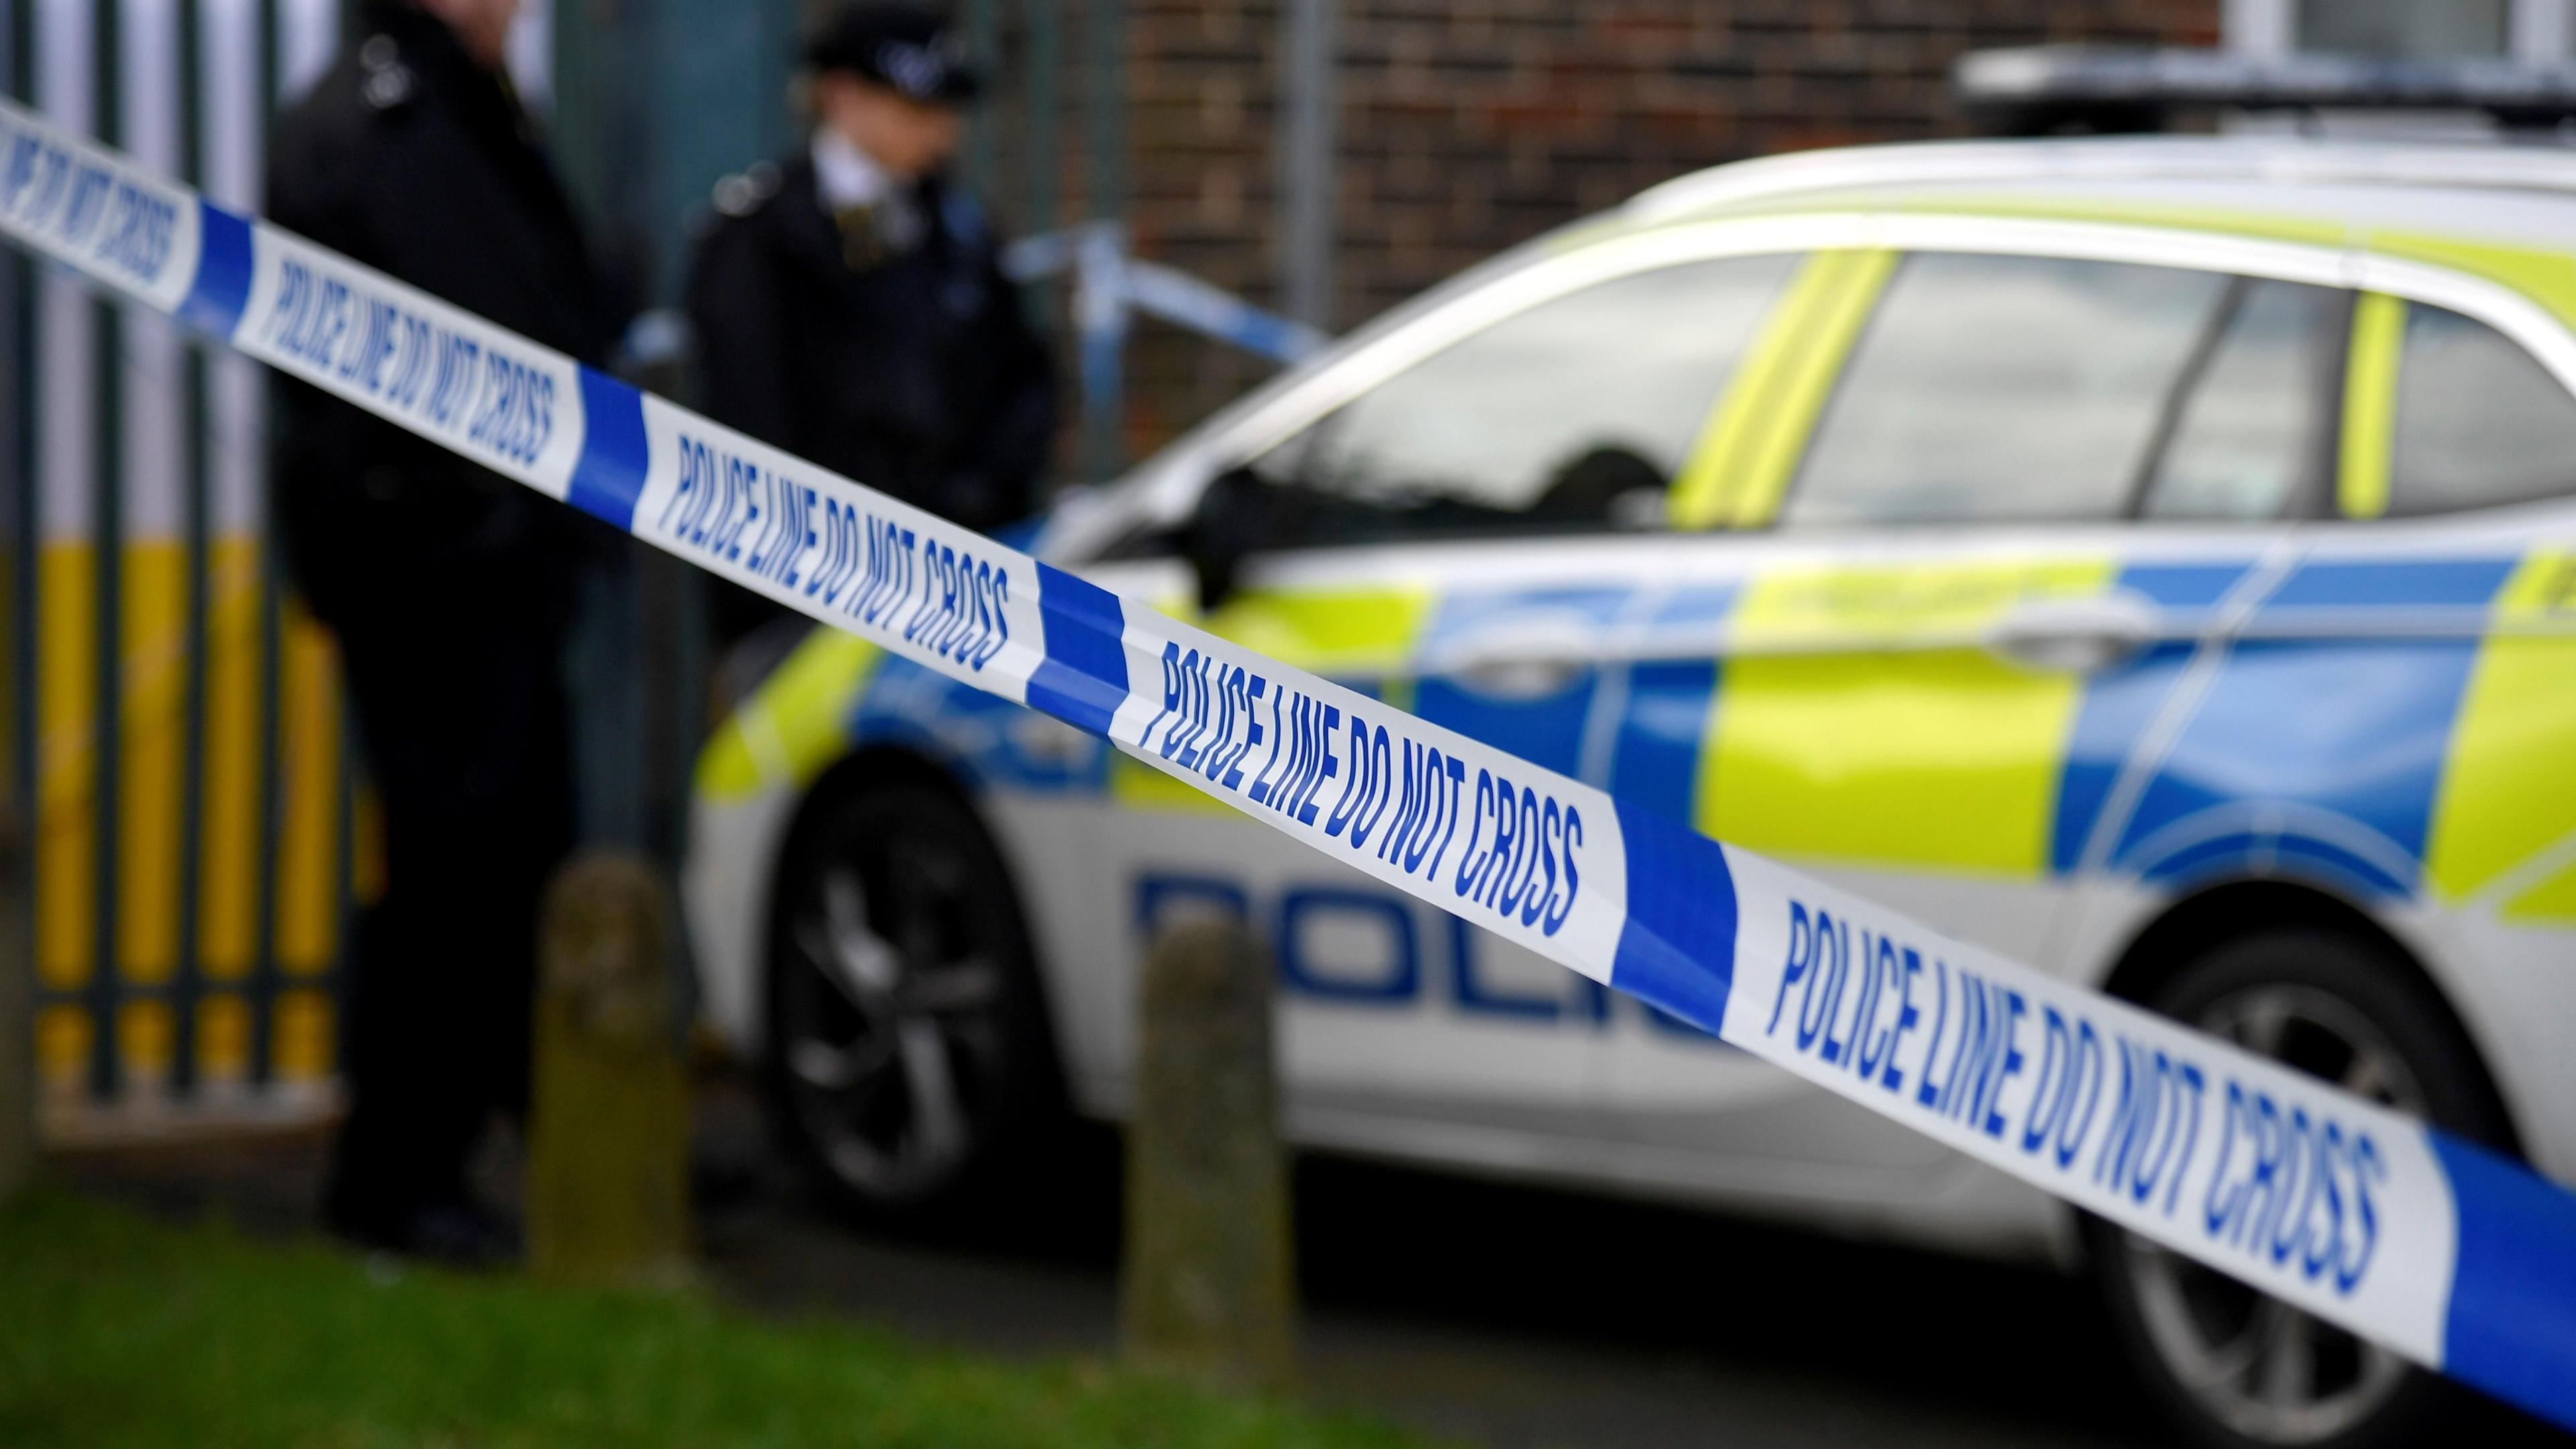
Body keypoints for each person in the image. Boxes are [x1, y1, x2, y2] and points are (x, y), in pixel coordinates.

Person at [267, 0, 623, 1260]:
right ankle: (399, 1176)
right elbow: (431, 358)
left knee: (517, 865)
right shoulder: (383, 122)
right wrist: (483, 528)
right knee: (445, 881)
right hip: (430, 574)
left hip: (495, 570)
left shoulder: (468, 104)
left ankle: (525, 1146)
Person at [688, 2, 1057, 644]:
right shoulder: (762, 238)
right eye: (916, 109)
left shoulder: (959, 231)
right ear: (842, 96)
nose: (940, 133)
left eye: (945, 111)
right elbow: (747, 421)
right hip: (803, 590)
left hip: (950, 587)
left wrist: (983, 497)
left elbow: (1022, 377)